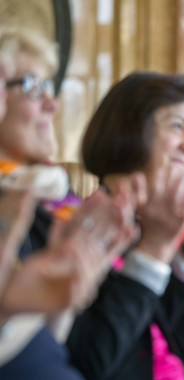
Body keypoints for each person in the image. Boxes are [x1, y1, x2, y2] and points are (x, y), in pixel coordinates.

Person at [0, 27, 138, 379]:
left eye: (49, 87)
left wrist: (64, 299)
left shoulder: (44, 198)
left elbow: (48, 348)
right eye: (33, 86)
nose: (53, 103)